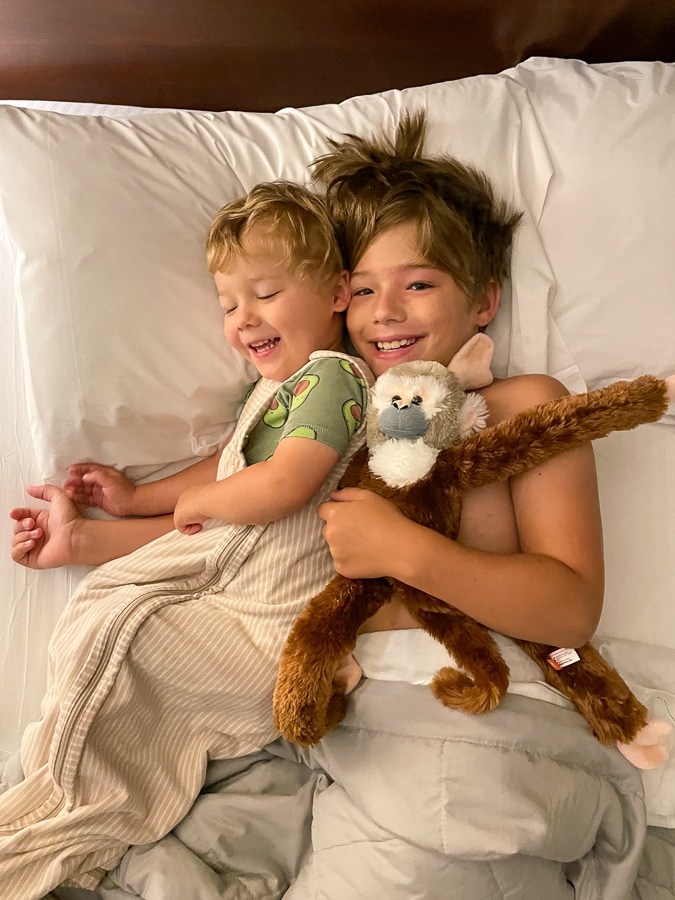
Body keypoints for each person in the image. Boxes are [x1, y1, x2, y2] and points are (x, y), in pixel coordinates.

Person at [1, 181, 372, 898]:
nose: (244, 319)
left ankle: (51, 818)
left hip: (264, 618)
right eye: (229, 305)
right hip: (225, 588)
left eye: (265, 294)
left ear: (335, 291)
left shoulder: (333, 378)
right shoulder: (274, 392)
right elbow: (229, 472)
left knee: (127, 642)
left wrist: (199, 501)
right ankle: (57, 802)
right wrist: (137, 499)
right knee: (110, 625)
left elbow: (281, 485)